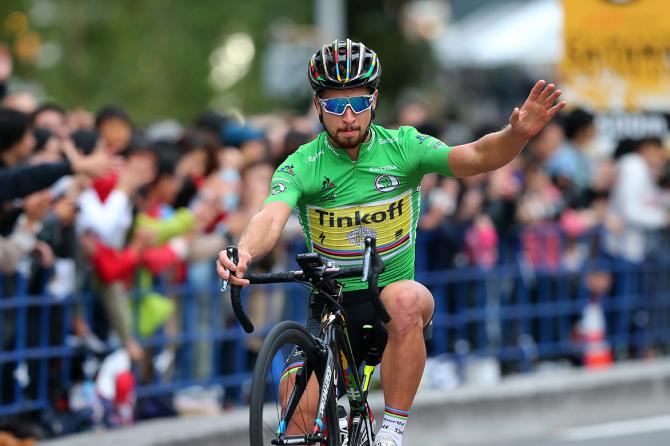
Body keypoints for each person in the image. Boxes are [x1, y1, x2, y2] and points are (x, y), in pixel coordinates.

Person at [217, 39, 565, 446]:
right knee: (294, 404)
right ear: (318, 107)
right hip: (332, 304)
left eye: (358, 103)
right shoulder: (302, 165)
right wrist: (244, 253)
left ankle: (392, 432)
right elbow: (270, 216)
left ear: (375, 100)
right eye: (334, 105)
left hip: (391, 300)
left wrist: (515, 134)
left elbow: (473, 157)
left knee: (403, 300)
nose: (347, 117)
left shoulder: (404, 147)